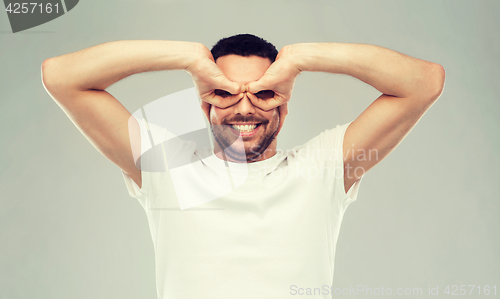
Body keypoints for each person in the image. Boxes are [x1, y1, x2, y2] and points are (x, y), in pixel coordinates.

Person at [41, 34, 445, 298]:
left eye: (264, 93)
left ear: (283, 107)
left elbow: (424, 82)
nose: (245, 107)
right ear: (205, 105)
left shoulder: (322, 169)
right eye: (226, 93)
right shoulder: (167, 168)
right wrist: (188, 57)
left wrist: (302, 58)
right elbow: (61, 77)